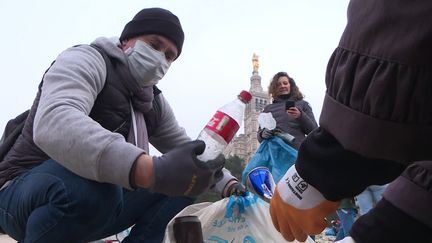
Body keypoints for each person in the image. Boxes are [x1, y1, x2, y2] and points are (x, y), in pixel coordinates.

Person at [0, 8, 244, 243]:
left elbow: (190, 152)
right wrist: (150, 169)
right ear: (126, 40)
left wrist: (228, 184)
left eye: (170, 56)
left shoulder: (152, 101)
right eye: (154, 44)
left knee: (188, 180)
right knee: (97, 190)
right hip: (23, 191)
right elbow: (55, 121)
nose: (160, 58)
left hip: (100, 199)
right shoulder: (86, 59)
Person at [269, 0, 432, 242]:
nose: (284, 86)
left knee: (369, 197)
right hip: (368, 160)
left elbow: (401, 17)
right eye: (279, 83)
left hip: (349, 154)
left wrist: (322, 167)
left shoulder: (302, 105)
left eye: (287, 83)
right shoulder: (270, 109)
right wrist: (392, 223)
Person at [257, 72, 318, 150]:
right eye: (278, 84)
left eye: (285, 83)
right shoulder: (268, 109)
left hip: (296, 154)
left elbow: (314, 131)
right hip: (274, 154)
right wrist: (262, 134)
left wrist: (300, 116)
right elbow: (260, 135)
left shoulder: (303, 104)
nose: (282, 86)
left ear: (290, 85)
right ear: (274, 88)